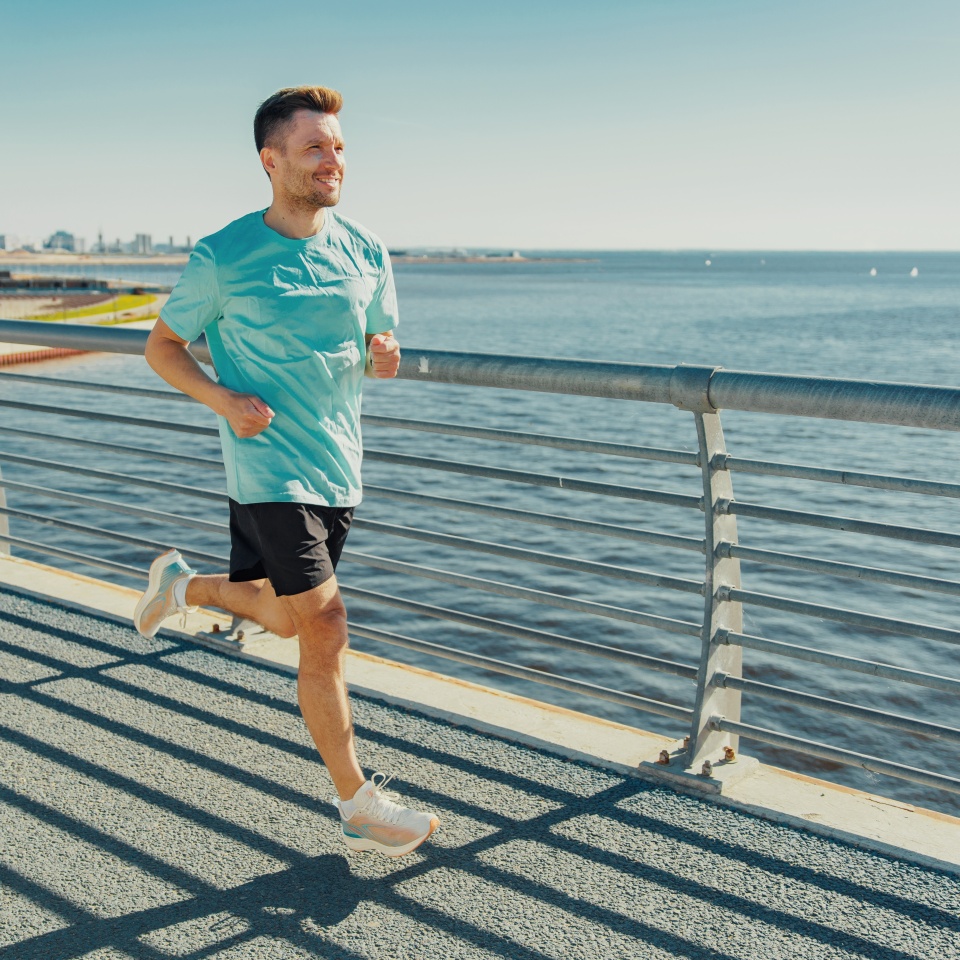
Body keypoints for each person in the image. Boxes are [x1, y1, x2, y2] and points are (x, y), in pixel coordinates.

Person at [134, 85, 439, 858]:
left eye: (338, 147)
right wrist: (222, 399)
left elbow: (380, 343)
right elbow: (162, 348)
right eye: (314, 148)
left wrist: (388, 356)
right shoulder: (224, 254)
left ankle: (183, 586)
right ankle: (357, 801)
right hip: (268, 467)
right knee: (327, 628)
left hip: (338, 467)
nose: (332, 159)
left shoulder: (366, 248)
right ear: (271, 162)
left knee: (282, 613)